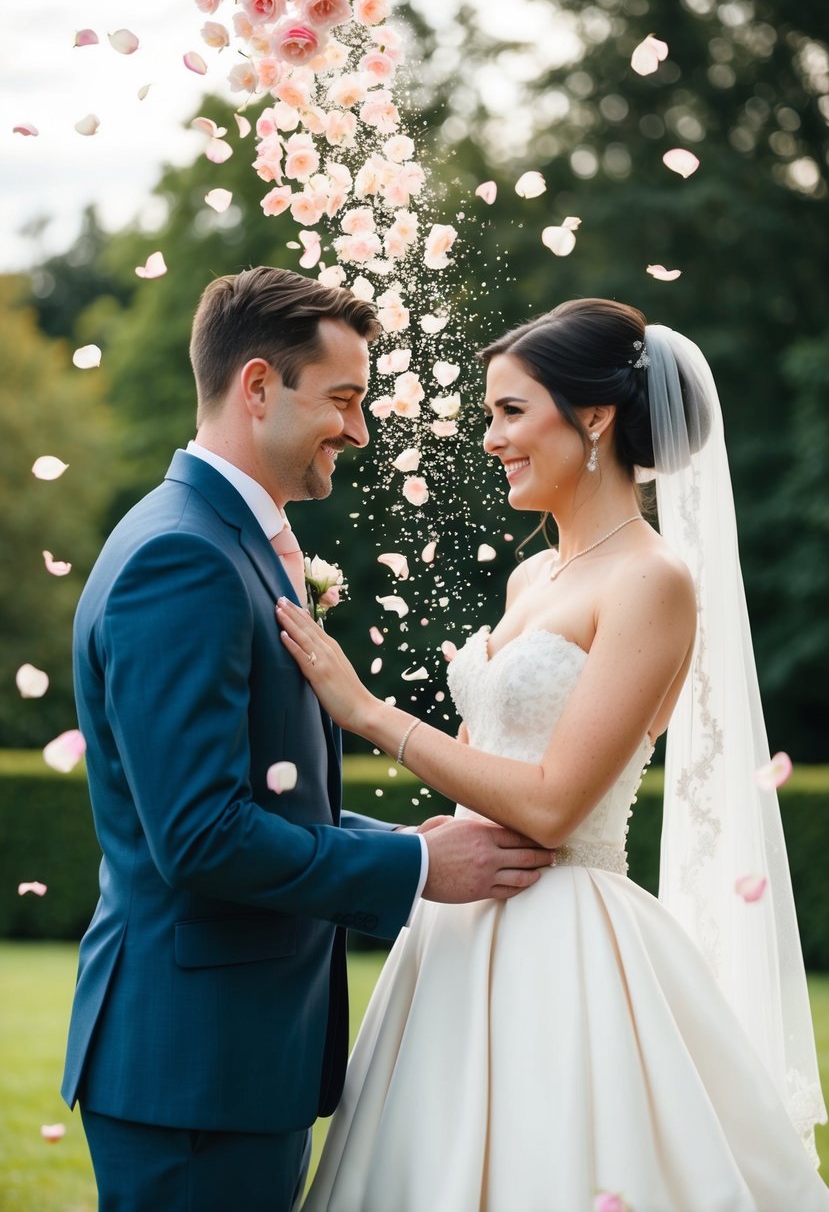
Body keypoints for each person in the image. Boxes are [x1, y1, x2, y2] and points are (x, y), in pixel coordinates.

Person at [278, 298, 829, 1211]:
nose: (492, 438)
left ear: (596, 419)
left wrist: (365, 712)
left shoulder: (653, 581)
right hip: (455, 933)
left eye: (511, 412)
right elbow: (487, 751)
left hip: (566, 938)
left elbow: (550, 804)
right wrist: (437, 830)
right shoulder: (532, 575)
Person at [60, 266, 554, 1212]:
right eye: (342, 399)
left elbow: (269, 803)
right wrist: (412, 877)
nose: (359, 430)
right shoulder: (184, 557)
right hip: (193, 1067)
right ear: (256, 388)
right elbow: (201, 836)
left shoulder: (223, 542)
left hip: (226, 1058)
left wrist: (405, 843)